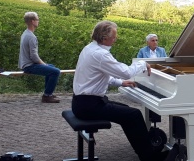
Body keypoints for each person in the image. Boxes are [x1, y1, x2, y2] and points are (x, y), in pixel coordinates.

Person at [72, 21, 169, 161]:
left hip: (82, 102)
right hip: (89, 106)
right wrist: (143, 63)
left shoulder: (89, 48)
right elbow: (126, 72)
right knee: (133, 115)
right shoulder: (100, 55)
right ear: (104, 38)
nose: (115, 39)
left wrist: (121, 83)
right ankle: (149, 156)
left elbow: (99, 75)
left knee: (126, 111)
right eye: (114, 36)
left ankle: (146, 150)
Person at [18, 12, 61, 103]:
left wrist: (46, 65)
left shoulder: (25, 33)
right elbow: (34, 57)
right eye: (37, 19)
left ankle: (48, 93)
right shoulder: (31, 37)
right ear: (33, 21)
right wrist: (44, 64)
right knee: (55, 71)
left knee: (52, 67)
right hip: (29, 66)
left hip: (25, 64)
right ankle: (47, 96)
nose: (38, 21)